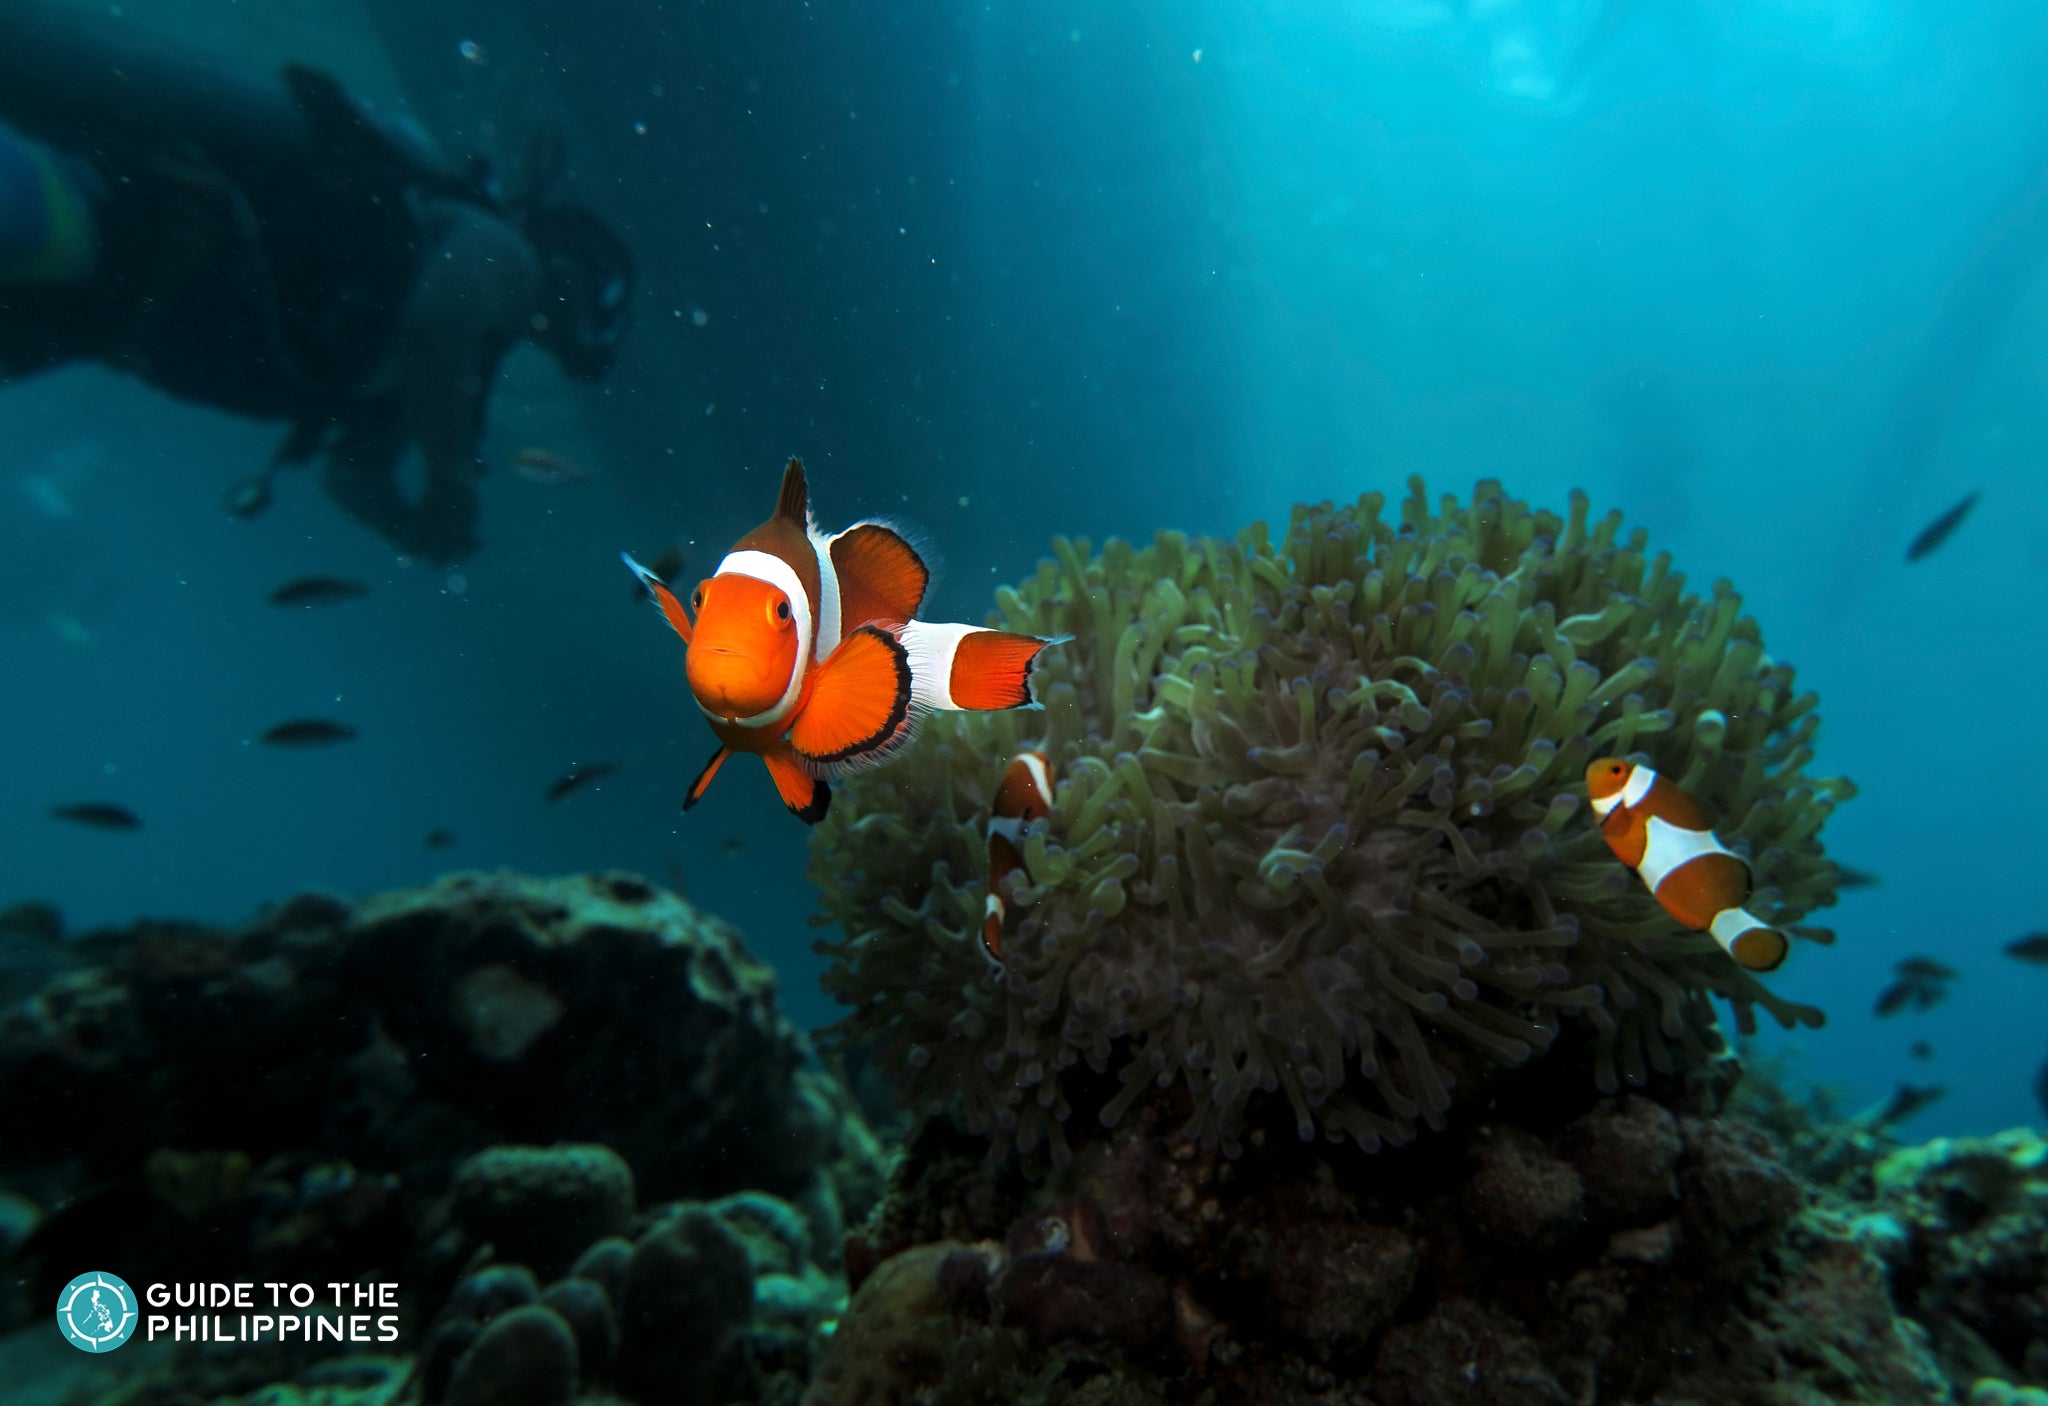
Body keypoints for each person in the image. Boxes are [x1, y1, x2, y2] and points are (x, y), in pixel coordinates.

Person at [0, 1, 633, 562]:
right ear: (573, 277)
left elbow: (355, 473)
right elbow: (434, 329)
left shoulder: (441, 376)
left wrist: (410, 523)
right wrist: (448, 489)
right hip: (136, 241)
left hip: (108, 307)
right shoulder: (507, 257)